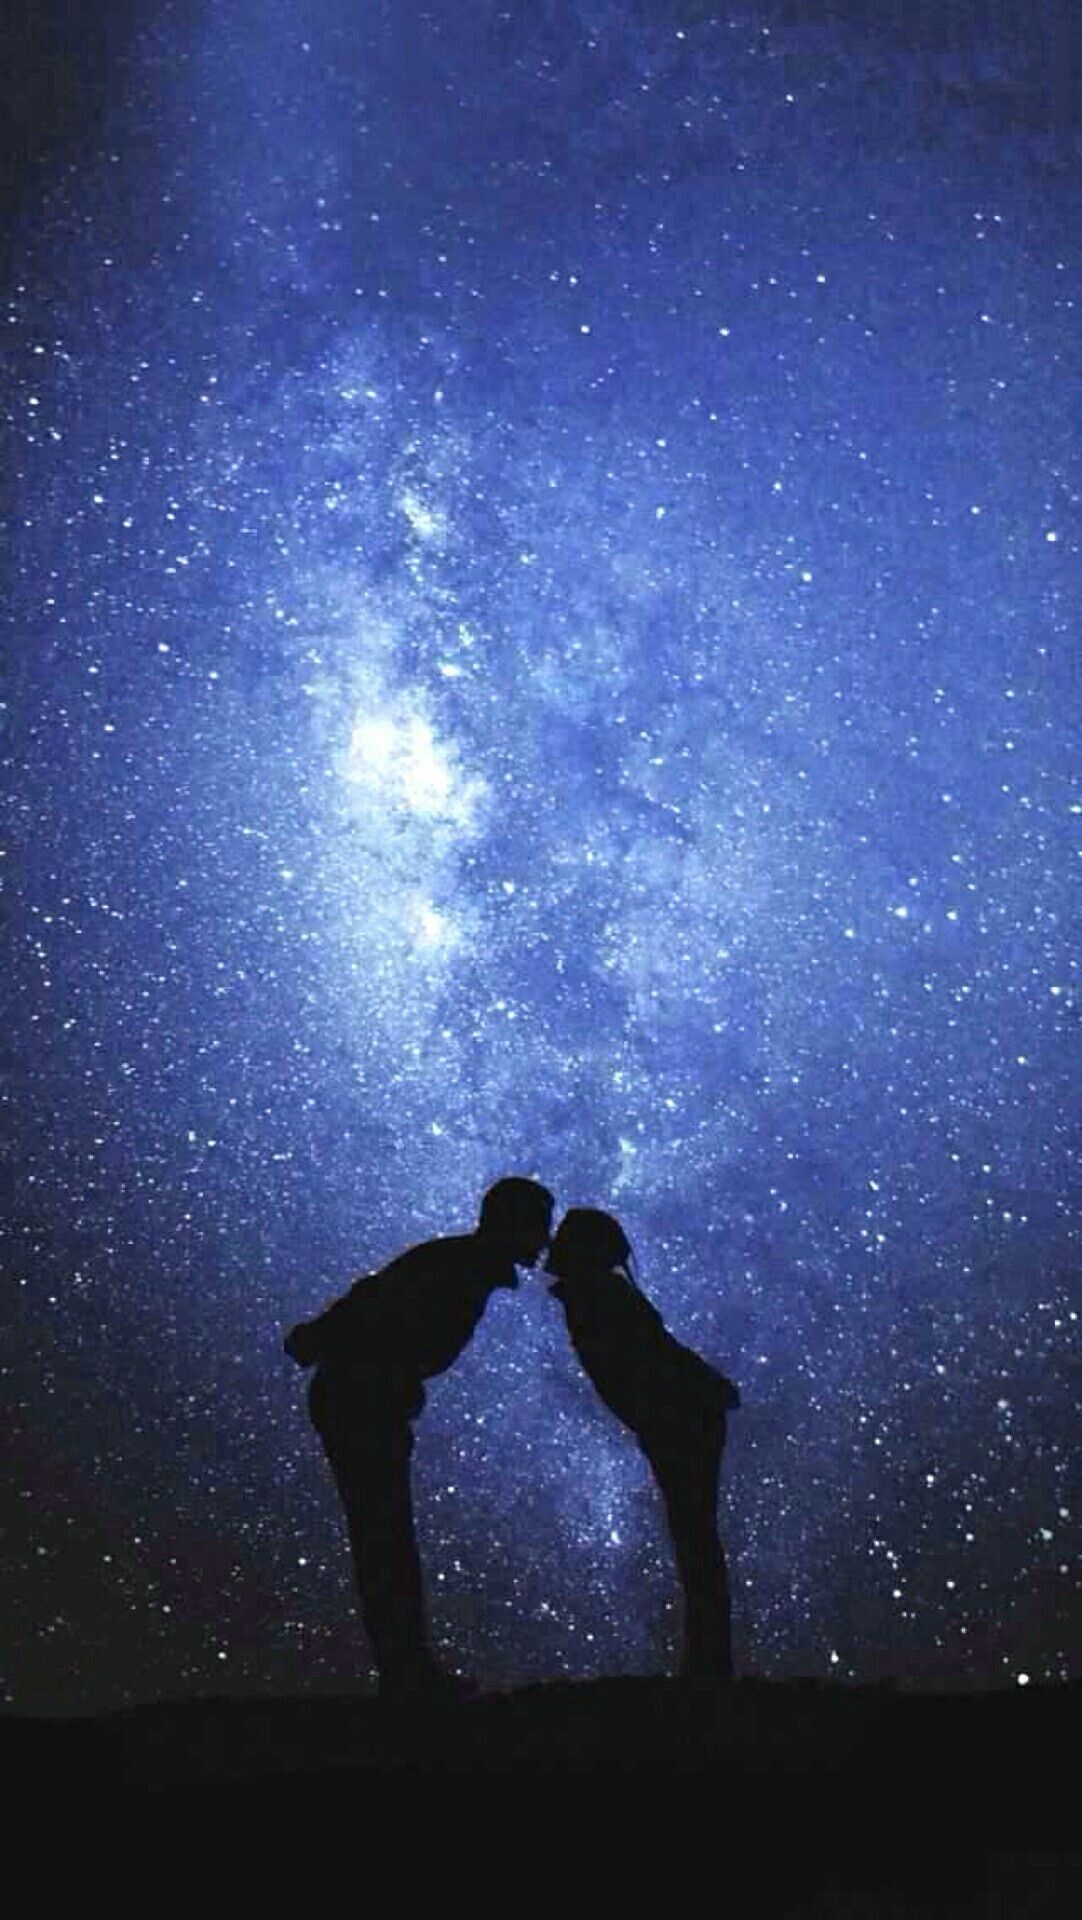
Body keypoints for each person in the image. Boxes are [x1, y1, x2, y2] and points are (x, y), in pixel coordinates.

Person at [284, 1177, 554, 1701]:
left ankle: (405, 1670)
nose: (545, 1239)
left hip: (361, 1397)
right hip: (359, 1399)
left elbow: (376, 1302)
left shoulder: (461, 1265)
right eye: (538, 1225)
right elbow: (376, 1306)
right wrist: (358, 1362)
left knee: (384, 1536)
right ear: (513, 1224)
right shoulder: (458, 1268)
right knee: (384, 1537)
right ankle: (406, 1675)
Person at [544, 1208, 740, 1685]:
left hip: (670, 1420)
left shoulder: (586, 1297)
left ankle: (708, 1660)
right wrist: (710, 1384)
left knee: (693, 1533)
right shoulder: (603, 1294)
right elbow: (657, 1352)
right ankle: (710, 1661)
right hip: (681, 1418)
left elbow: (650, 1355)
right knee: (697, 1535)